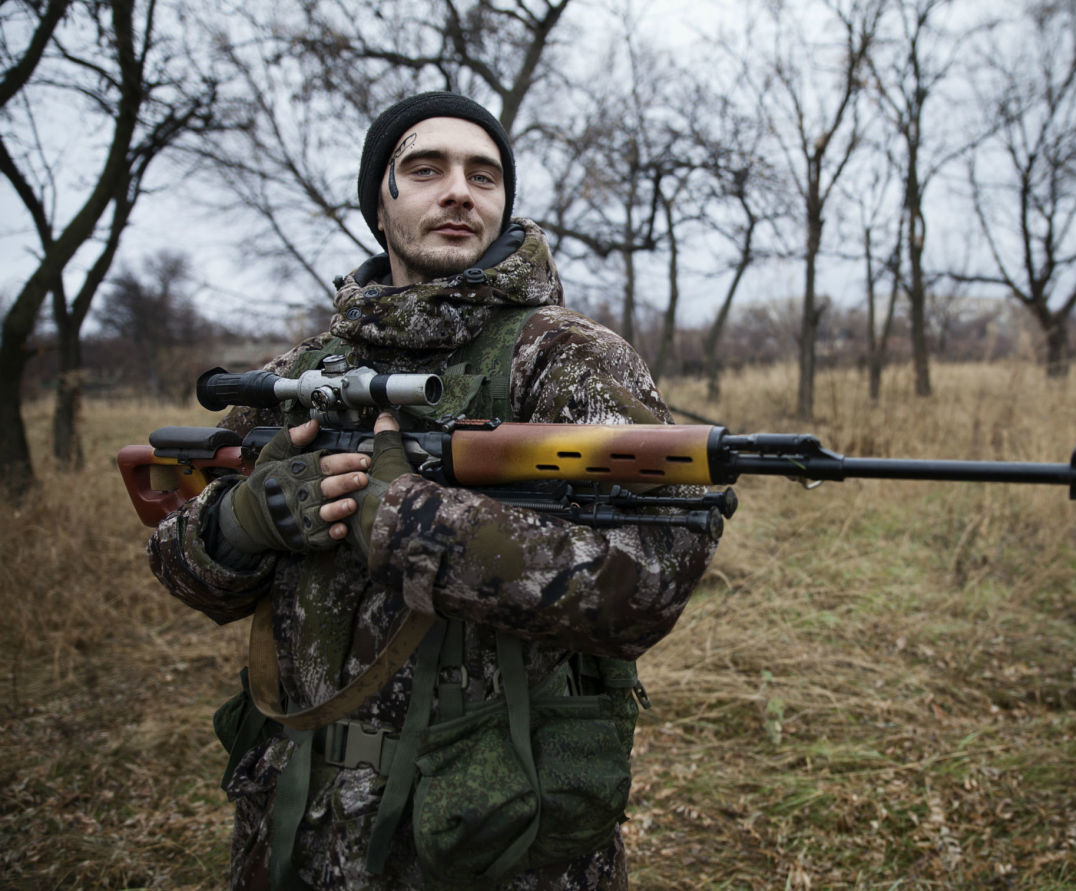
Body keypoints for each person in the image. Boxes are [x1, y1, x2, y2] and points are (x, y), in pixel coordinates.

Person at [148, 91, 716, 890]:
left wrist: (413, 523)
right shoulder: (305, 371)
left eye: (484, 175)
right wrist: (243, 522)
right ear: (380, 205)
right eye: (426, 168)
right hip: (296, 830)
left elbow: (649, 581)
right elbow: (175, 558)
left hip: (494, 836)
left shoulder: (568, 357)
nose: (459, 190)